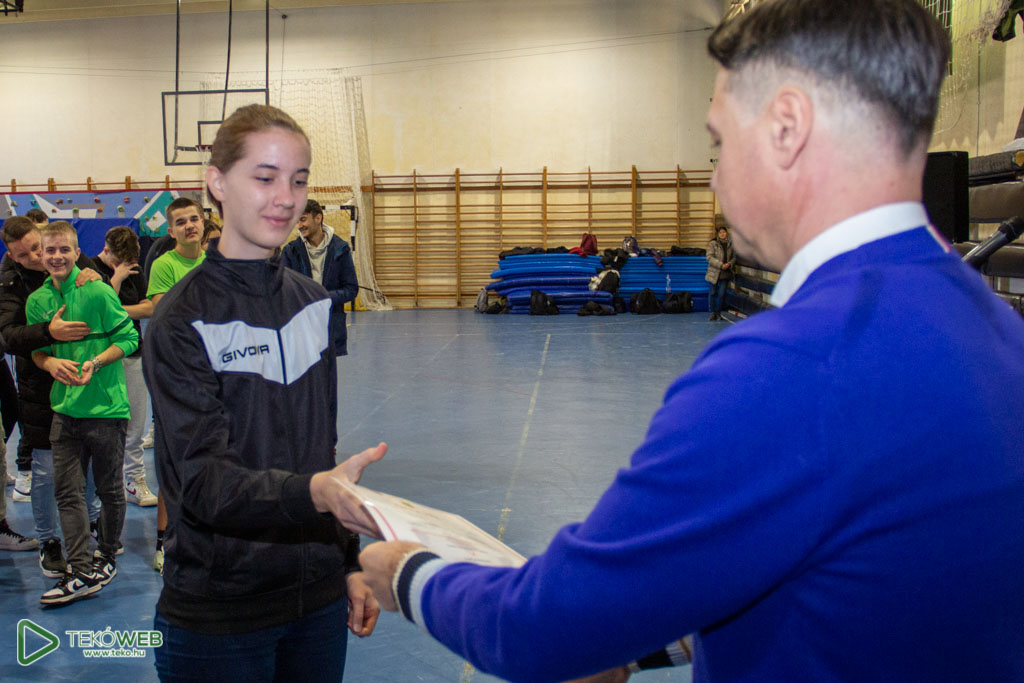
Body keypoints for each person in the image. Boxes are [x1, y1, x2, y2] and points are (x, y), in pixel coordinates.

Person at [357, 2, 1024, 681]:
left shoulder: (784, 369)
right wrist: (645, 645)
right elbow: (870, 580)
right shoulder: (995, 327)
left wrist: (411, 574)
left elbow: (545, 627)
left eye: (720, 145)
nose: (715, 177)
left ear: (787, 128)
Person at [143, 103, 384, 682]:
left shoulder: (313, 304)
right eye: (265, 177)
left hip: (317, 604)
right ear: (217, 183)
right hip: (221, 613)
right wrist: (316, 494)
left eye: (298, 180)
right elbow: (202, 482)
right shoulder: (181, 320)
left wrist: (347, 564)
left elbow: (320, 451)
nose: (286, 198)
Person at [27, 221, 138, 605]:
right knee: (68, 493)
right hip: (64, 412)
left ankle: (106, 555)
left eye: (64, 250)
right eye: (50, 250)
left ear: (77, 253)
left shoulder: (97, 290)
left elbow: (129, 337)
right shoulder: (37, 300)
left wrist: (96, 361)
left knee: (109, 490)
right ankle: (80, 568)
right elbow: (38, 351)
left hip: (107, 410)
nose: (57, 256)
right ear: (41, 255)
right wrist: (49, 364)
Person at [0, 216, 104, 578]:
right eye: (23, 254)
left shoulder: (71, 259)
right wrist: (49, 333)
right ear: (11, 256)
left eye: (36, 248)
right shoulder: (10, 283)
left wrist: (96, 277)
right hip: (39, 388)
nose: (35, 257)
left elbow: (109, 311)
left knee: (88, 459)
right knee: (44, 469)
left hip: (84, 381)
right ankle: (49, 541)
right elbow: (8, 336)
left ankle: (92, 523)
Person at [146, 196, 207, 571]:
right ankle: (164, 541)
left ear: (203, 223)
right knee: (172, 457)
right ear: (171, 231)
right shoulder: (164, 265)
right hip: (174, 372)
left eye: (194, 219)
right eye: (181, 222)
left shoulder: (214, 261)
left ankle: (206, 532)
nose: (189, 225)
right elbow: (163, 312)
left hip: (212, 373)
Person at [94, 225, 157, 507]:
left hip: (133, 352)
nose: (124, 266)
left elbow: (149, 308)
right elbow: (97, 314)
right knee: (104, 425)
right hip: (102, 356)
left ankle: (134, 478)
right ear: (106, 250)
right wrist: (115, 281)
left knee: (135, 421)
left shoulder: (135, 269)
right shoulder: (90, 269)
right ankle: (105, 482)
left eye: (129, 262)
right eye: (118, 261)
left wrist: (116, 310)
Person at [281, 200, 359, 356]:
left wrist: (324, 298)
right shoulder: (290, 251)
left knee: (328, 371)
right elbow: (282, 290)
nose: (299, 225)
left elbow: (351, 289)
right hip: (301, 329)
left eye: (303, 219)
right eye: (297, 221)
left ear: (318, 218)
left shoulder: (340, 249)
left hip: (331, 328)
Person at [704, 226, 735, 321]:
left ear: (727, 233)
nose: (722, 234)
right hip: (714, 272)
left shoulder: (731, 244)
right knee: (713, 293)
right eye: (720, 232)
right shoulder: (713, 244)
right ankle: (712, 312)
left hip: (726, 272)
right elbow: (709, 257)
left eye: (724, 232)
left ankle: (718, 313)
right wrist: (721, 265)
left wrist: (729, 264)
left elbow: (734, 257)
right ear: (717, 234)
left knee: (721, 294)